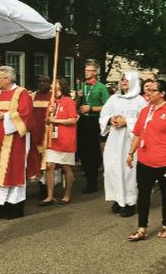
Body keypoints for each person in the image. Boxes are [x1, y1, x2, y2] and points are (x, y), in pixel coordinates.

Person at [126, 80, 166, 241]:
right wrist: (131, 153)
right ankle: (142, 228)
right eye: (148, 90)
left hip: (164, 161)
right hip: (144, 160)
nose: (149, 93)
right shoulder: (145, 111)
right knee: (143, 194)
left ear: (162, 93)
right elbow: (137, 134)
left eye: (153, 90)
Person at [0, 65, 33, 220]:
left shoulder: (22, 93)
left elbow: (26, 115)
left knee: (12, 173)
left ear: (8, 79)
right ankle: (1, 206)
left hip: (13, 141)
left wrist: (5, 117)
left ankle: (16, 207)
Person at [100, 72, 148, 217]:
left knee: (129, 171)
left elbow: (144, 120)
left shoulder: (140, 101)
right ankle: (117, 198)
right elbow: (103, 114)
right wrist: (111, 120)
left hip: (130, 140)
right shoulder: (114, 98)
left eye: (127, 79)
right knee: (112, 169)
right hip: (115, 139)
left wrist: (127, 122)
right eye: (122, 79)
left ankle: (130, 202)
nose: (124, 81)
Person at [38, 78, 79, 206]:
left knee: (66, 167)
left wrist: (56, 120)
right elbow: (46, 120)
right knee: (49, 165)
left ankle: (67, 194)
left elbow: (73, 120)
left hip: (66, 138)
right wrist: (48, 117)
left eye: (54, 84)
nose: (51, 85)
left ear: (61, 86)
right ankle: (50, 195)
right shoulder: (51, 102)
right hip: (53, 139)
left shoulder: (68, 102)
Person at [75, 60, 110, 193]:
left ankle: (93, 181)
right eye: (85, 70)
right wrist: (78, 98)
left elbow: (107, 107)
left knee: (92, 151)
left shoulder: (101, 87)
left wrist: (91, 108)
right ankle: (87, 176)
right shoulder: (82, 86)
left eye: (89, 70)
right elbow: (76, 105)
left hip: (94, 121)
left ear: (95, 73)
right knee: (82, 150)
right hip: (82, 120)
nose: (86, 72)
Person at [31, 75, 53, 199]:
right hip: (35, 134)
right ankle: (40, 185)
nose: (42, 84)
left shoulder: (53, 96)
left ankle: (46, 188)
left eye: (45, 82)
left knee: (47, 162)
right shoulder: (33, 96)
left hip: (47, 133)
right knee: (38, 162)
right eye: (40, 82)